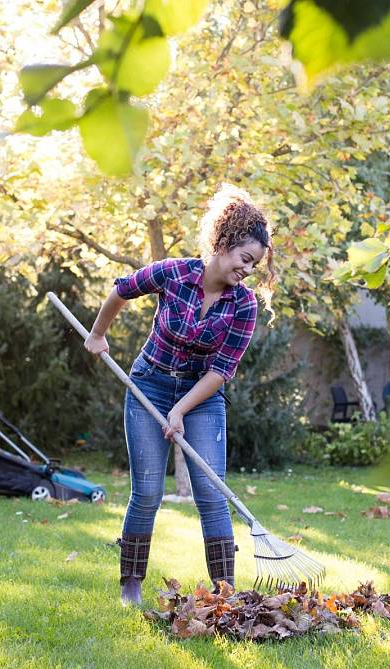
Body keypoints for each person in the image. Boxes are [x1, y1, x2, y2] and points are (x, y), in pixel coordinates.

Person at [83, 183, 276, 605]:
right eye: (245, 259)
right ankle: (131, 583)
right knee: (148, 489)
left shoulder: (244, 305)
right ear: (223, 245)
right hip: (148, 382)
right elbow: (122, 288)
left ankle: (225, 592)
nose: (248, 270)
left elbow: (221, 370)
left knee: (212, 492)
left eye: (254, 265)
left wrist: (181, 409)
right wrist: (98, 335)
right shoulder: (173, 273)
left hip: (201, 396)